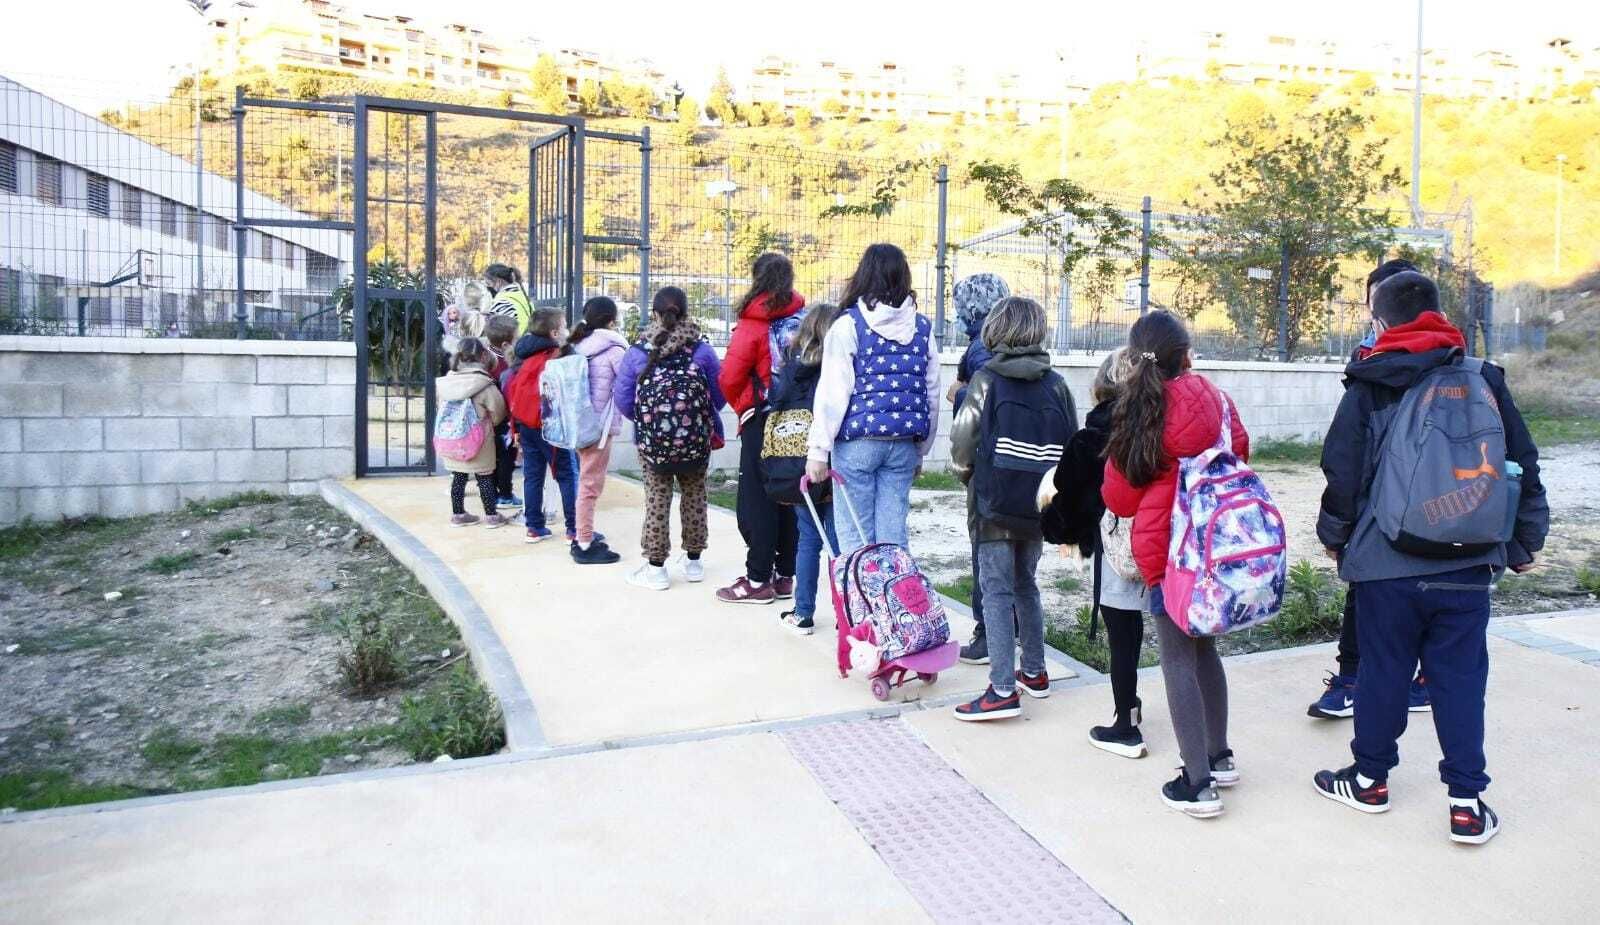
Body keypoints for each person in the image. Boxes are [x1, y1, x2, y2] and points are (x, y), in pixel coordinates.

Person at [1311, 271, 1547, 845]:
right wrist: (1522, 543)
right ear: (1439, 315)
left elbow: (1342, 471)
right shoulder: (1484, 378)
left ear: (1381, 320)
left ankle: (1370, 780)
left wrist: (1336, 537)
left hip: (1386, 562)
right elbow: (1522, 461)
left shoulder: (1370, 382)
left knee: (1382, 673)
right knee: (1461, 681)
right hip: (1467, 564)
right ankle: (1466, 805)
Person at [1103, 310, 1249, 818]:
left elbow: (1118, 498)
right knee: (1204, 647)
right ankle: (1219, 754)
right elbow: (1241, 452)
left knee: (1177, 659)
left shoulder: (1140, 412)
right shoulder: (1218, 400)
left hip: (1168, 555)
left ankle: (1197, 781)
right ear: (1187, 355)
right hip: (1213, 547)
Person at [1308, 258, 1429, 719]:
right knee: (1364, 590)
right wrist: (1339, 529)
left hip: (1427, 501)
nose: (1376, 314)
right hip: (1374, 505)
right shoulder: (1367, 357)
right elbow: (1347, 453)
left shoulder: (1454, 362)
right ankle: (1353, 679)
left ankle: (1416, 682)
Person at [950, 297, 1077, 721]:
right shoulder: (1057, 384)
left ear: (995, 330)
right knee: (1026, 584)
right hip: (1039, 504)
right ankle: (1036, 672)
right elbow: (1072, 444)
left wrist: (968, 476)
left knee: (995, 591)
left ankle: (1002, 688)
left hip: (994, 506)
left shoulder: (986, 379)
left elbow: (962, 441)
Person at [1043, 349, 1150, 756]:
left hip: (1119, 545)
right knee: (1145, 630)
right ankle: (1139, 706)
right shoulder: (1156, 428)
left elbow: (1069, 498)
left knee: (1120, 628)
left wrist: (1052, 526)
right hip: (1165, 542)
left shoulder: (1092, 438)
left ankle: (1126, 723)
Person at [804, 243, 941, 552]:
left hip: (857, 444)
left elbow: (833, 392)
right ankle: (894, 596)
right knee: (894, 538)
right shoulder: (922, 328)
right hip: (904, 443)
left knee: (856, 537)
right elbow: (930, 393)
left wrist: (818, 450)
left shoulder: (849, 325)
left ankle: (862, 599)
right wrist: (921, 450)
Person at [615, 287, 726, 590]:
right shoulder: (702, 351)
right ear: (686, 313)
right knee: (695, 496)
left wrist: (649, 421)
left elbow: (623, 399)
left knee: (657, 499)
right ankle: (693, 563)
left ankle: (656, 569)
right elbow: (719, 397)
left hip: (653, 444)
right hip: (696, 441)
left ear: (654, 313)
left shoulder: (638, 352)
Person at [716, 253, 806, 605]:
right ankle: (785, 576)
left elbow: (729, 377)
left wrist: (745, 407)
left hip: (761, 419)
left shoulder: (752, 323)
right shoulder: (804, 318)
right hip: (798, 420)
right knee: (789, 493)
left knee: (758, 499)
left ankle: (757, 579)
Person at [947, 273, 1012, 665]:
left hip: (988, 464)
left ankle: (989, 631)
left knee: (985, 548)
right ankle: (1012, 625)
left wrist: (957, 394)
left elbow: (977, 410)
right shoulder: (1022, 343)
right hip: (1021, 462)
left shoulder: (980, 350)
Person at [771, 302, 843, 634]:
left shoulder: (790, 369)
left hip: (800, 464)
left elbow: (776, 402)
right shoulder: (838, 369)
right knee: (839, 542)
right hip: (833, 461)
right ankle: (850, 614)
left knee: (808, 540)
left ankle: (803, 612)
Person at [505, 308, 579, 544]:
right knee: (567, 475)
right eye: (565, 325)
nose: (568, 330)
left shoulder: (525, 357)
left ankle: (534, 527)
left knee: (532, 476)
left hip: (526, 424)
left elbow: (515, 391)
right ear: (555, 332)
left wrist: (515, 429)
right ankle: (574, 529)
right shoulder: (556, 357)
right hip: (551, 425)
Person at [568, 296, 628, 565]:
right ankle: (584, 542)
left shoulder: (576, 345)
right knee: (590, 484)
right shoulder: (614, 350)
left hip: (577, 423)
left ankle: (582, 534)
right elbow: (629, 385)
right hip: (599, 427)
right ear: (612, 320)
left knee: (585, 480)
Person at [435, 337, 509, 529]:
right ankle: (492, 516)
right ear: (484, 356)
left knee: (458, 477)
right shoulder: (485, 384)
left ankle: (458, 514)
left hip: (452, 439)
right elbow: (498, 412)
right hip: (480, 439)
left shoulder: (445, 384)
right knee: (484, 477)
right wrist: (488, 425)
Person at [482, 314, 522, 513]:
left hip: (486, 417)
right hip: (504, 418)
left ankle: (493, 494)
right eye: (518, 337)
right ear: (507, 343)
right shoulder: (505, 363)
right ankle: (505, 494)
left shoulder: (484, 356)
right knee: (507, 457)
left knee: (491, 458)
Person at [484, 263, 534, 336]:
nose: (487, 287)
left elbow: (496, 331)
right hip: (524, 340)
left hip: (512, 343)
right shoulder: (521, 295)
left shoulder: (502, 301)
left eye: (488, 283)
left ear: (499, 282)